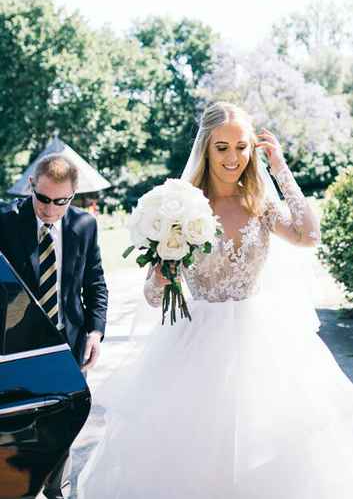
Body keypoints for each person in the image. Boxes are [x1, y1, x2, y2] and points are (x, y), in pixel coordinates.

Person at [78, 102, 353, 498]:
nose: (233, 158)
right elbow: (153, 297)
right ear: (206, 148)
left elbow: (309, 236)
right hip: (196, 343)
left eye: (241, 147)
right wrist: (163, 271)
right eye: (222, 147)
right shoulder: (181, 206)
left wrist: (281, 170)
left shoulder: (260, 204)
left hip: (263, 345)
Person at [0, 154, 108, 499]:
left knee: (62, 421)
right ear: (31, 186)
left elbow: (95, 284)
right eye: (42, 198)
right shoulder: (6, 222)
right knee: (20, 425)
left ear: (73, 195)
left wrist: (95, 332)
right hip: (16, 346)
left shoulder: (84, 226)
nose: (49, 209)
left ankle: (56, 488)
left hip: (68, 343)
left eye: (59, 201)